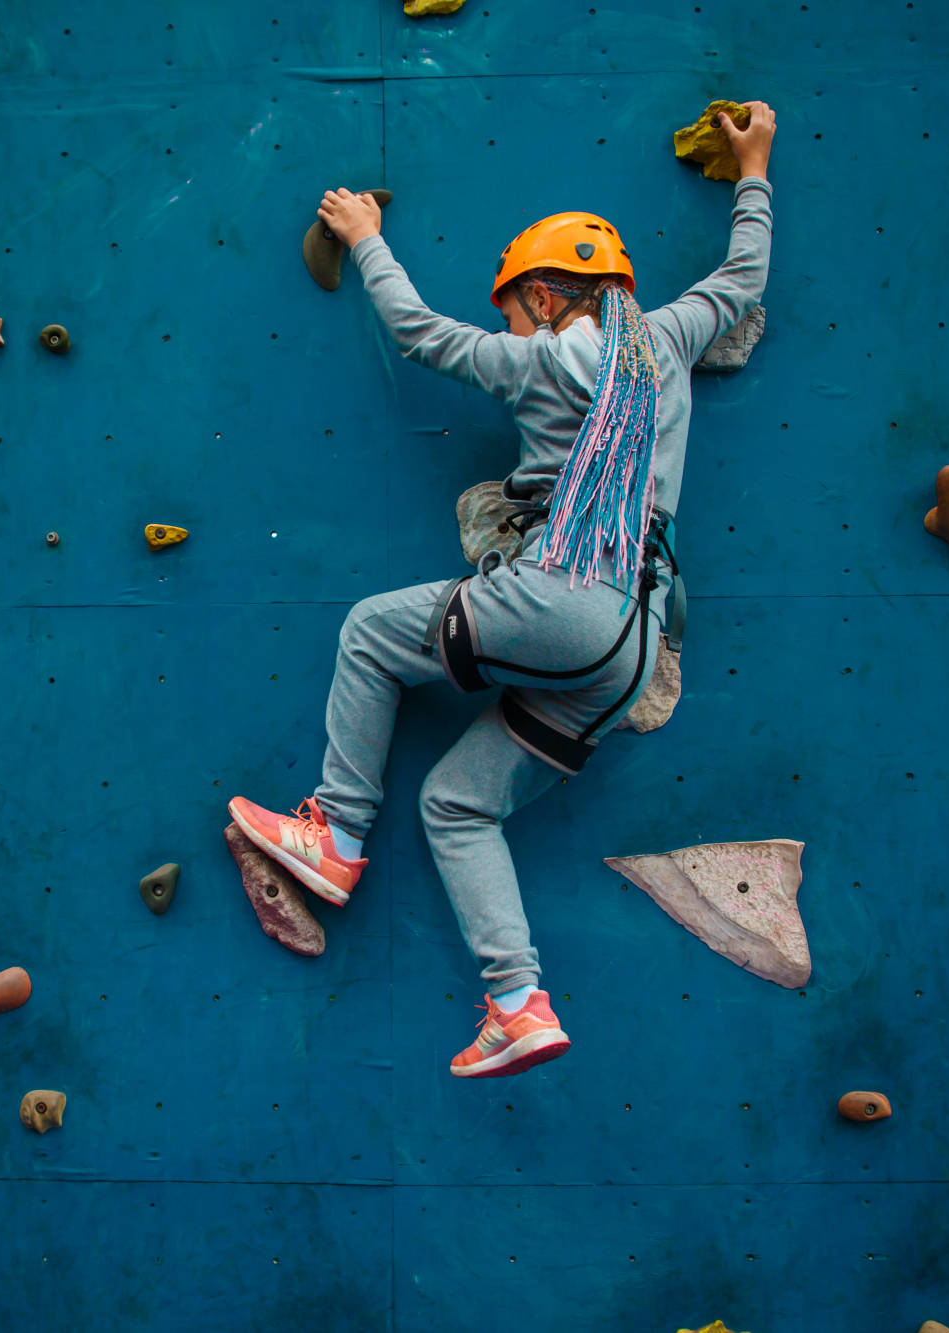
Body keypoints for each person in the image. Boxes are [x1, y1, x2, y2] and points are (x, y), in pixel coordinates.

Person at [230, 104, 778, 1078]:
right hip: (634, 641)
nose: (503, 323)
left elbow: (418, 335)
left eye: (509, 305)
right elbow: (742, 279)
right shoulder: (668, 338)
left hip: (566, 591)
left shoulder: (539, 359)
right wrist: (752, 169)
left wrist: (363, 241)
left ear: (537, 295)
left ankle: (335, 831)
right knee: (454, 804)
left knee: (366, 632)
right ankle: (517, 1001)